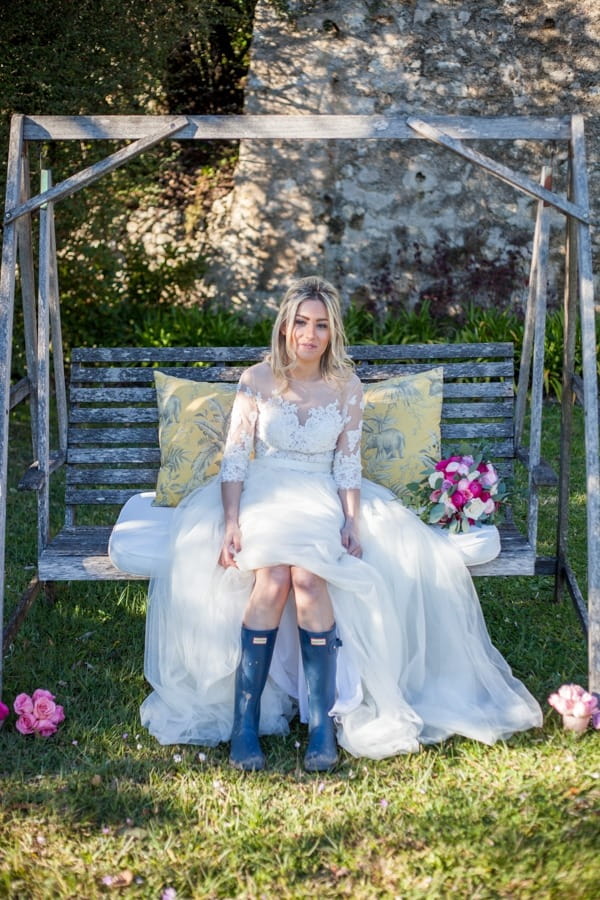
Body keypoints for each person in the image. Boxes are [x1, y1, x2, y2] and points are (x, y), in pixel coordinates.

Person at [141, 276, 542, 771]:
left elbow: (347, 463)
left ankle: (321, 724)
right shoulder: (257, 380)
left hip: (319, 493)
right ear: (285, 326)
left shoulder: (346, 386)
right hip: (265, 491)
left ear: (332, 334)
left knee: (310, 576)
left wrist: (351, 520)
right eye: (301, 322)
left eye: (321, 325)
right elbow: (236, 461)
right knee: (274, 576)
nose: (309, 334)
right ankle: (245, 722)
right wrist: (230, 521)